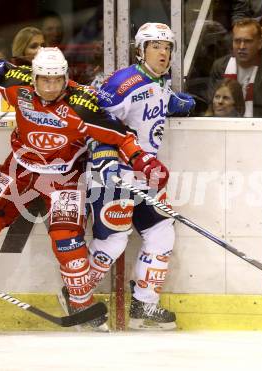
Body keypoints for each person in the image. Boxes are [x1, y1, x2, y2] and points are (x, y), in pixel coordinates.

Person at [0, 47, 168, 331]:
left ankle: (82, 305)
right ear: (35, 78)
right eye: (45, 80)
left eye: (57, 80)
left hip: (63, 178)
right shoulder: (18, 82)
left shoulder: (83, 103)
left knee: (68, 243)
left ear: (66, 77)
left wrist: (145, 162)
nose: (52, 87)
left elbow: (121, 137)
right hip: (18, 169)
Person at [64, 23, 195, 331]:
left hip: (143, 176)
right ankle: (76, 296)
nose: (163, 53)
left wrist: (174, 103)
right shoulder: (124, 83)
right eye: (156, 46)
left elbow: (151, 106)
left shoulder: (160, 80)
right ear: (141, 49)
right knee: (113, 243)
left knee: (162, 231)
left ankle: (144, 305)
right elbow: (95, 122)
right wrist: (105, 162)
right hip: (115, 174)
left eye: (168, 47)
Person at [209, 18, 262, 117]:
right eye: (237, 41)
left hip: (261, 128)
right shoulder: (219, 66)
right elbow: (211, 107)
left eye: (248, 41)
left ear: (260, 44)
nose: (241, 46)